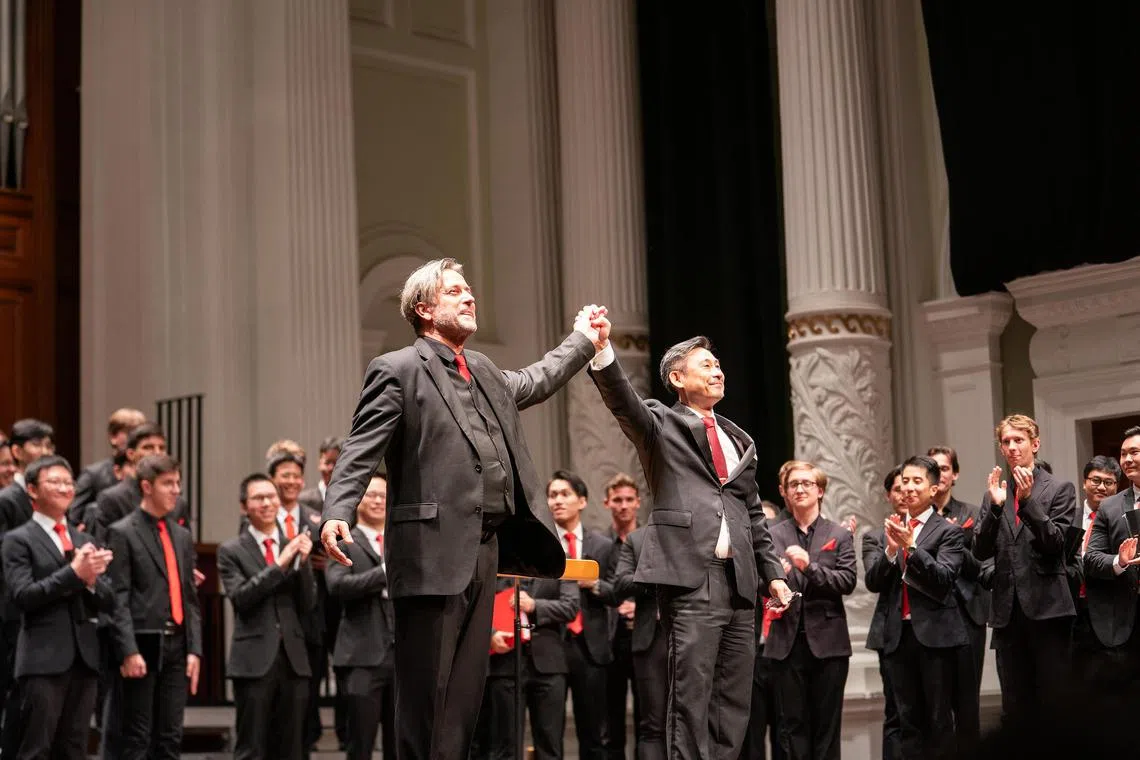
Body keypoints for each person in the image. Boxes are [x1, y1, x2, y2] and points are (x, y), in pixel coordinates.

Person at [319, 258, 610, 760]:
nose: (470, 296)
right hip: (429, 554)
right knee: (426, 700)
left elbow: (536, 379)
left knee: (463, 702)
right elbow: (360, 448)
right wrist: (337, 510)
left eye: (469, 288)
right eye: (455, 291)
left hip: (484, 551)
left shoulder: (484, 370)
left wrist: (583, 340)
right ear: (424, 309)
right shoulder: (398, 369)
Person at [588, 335, 793, 760]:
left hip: (740, 583)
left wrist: (772, 574)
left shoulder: (739, 439)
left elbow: (753, 514)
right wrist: (603, 351)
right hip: (691, 579)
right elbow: (623, 401)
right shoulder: (661, 423)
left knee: (732, 705)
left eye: (718, 365)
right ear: (678, 379)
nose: (718, 371)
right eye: (706, 365)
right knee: (691, 699)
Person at [1, 455, 115, 760]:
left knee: (75, 749)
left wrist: (91, 581)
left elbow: (108, 600)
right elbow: (23, 596)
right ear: (32, 490)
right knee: (36, 749)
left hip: (85, 658)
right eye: (55, 482)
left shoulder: (84, 538)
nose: (65, 488)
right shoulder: (18, 540)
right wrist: (74, 574)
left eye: (68, 482)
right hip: (42, 658)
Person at [972, 414, 1076, 731]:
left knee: (1054, 708)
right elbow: (979, 551)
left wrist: (1028, 502)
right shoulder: (995, 493)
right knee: (1015, 710)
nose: (1012, 447)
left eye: (1019, 440)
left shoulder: (1060, 489)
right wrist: (993, 509)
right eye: (1006, 441)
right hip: (1007, 613)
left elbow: (1056, 545)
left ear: (1035, 443)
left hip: (1048, 610)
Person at [865, 455, 967, 760]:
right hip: (898, 636)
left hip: (935, 637)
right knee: (907, 721)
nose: (908, 488)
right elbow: (873, 582)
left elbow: (944, 578)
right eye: (905, 481)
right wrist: (891, 551)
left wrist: (912, 547)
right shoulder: (890, 529)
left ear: (934, 489)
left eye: (916, 481)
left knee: (939, 720)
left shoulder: (948, 531)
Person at [105, 454, 202, 759]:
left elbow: (190, 598)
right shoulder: (122, 532)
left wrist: (194, 649)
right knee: (138, 735)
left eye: (178, 483)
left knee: (171, 735)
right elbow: (118, 597)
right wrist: (128, 650)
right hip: (143, 641)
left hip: (177, 642)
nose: (176, 490)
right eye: (168, 483)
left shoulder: (181, 535)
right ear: (147, 487)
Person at [220, 473, 317, 760]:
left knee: (292, 748)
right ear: (244, 507)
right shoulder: (231, 550)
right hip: (253, 660)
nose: (266, 503)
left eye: (271, 496)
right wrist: (281, 563)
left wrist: (304, 564)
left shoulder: (293, 543)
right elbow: (241, 598)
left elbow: (308, 603)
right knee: (251, 746)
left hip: (293, 658)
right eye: (258, 498)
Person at [763, 461, 856, 760]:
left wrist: (809, 567)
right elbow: (758, 583)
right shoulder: (771, 534)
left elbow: (847, 581)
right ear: (785, 492)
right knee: (791, 729)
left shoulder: (839, 534)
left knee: (827, 729)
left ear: (820, 491)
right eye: (794, 484)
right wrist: (775, 581)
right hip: (785, 643)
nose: (800, 489)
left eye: (806, 483)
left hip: (828, 644)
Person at [326, 474, 397, 760]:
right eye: (371, 495)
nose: (378, 501)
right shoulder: (343, 542)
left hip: (402, 655)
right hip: (362, 656)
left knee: (400, 744)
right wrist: (383, 574)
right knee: (360, 744)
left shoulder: (401, 541)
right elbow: (337, 586)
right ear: (358, 500)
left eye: (383, 495)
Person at [925, 445, 987, 749]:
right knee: (935, 709)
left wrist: (954, 539)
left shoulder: (971, 514)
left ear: (955, 474)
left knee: (967, 706)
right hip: (930, 617)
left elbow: (982, 568)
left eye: (945, 468)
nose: (939, 474)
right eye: (933, 469)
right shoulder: (917, 518)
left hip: (967, 614)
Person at [0, 418, 56, 757]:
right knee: (14, 690)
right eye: (37, 445)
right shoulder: (8, 499)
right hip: (13, 605)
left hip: (46, 605)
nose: (45, 451)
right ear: (17, 452)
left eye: (49, 445)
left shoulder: (51, 497)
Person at [548, 471, 613, 760]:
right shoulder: (543, 545)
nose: (557, 501)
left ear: (582, 501)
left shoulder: (602, 545)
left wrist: (595, 584)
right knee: (550, 733)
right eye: (552, 495)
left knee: (593, 733)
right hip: (551, 645)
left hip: (590, 648)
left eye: (565, 494)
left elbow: (617, 591)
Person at [484, 574, 579, 760]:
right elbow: (478, 604)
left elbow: (571, 607)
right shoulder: (498, 562)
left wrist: (535, 605)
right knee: (505, 746)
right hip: (505, 664)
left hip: (549, 664)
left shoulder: (559, 563)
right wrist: (491, 633)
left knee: (550, 745)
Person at [604, 525, 667, 760]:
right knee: (652, 725)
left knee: (692, 722)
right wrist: (658, 575)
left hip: (694, 635)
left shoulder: (697, 531)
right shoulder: (637, 539)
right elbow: (620, 584)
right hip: (651, 638)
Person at [1083, 430, 1140, 687]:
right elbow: (1092, 558)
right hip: (1124, 618)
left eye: (1134, 452)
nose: (1126, 459)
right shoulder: (1110, 506)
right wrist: (1119, 561)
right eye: (1123, 453)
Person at [863, 466, 906, 760]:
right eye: (897, 489)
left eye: (910, 486)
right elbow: (873, 581)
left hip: (931, 630)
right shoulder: (874, 537)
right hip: (891, 633)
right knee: (896, 713)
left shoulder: (935, 529)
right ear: (888, 495)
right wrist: (891, 551)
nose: (904, 494)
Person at [599, 473, 642, 760]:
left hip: (644, 634)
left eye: (628, 500)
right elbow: (593, 586)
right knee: (610, 717)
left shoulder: (649, 540)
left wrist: (640, 607)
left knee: (647, 714)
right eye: (617, 500)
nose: (623, 506)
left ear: (638, 502)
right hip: (609, 637)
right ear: (607, 503)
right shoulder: (599, 543)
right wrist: (614, 603)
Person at [92, 424, 190, 541]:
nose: (157, 452)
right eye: (148, 447)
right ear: (131, 454)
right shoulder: (112, 499)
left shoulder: (178, 503)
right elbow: (106, 545)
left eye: (162, 448)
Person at [70, 408, 147, 526]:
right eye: (130, 433)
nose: (136, 439)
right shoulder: (93, 474)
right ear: (113, 437)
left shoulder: (148, 473)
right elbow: (74, 515)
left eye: (140, 435)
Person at [299, 436, 342, 513]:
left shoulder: (353, 500)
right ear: (319, 464)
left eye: (336, 463)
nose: (331, 468)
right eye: (327, 462)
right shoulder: (303, 501)